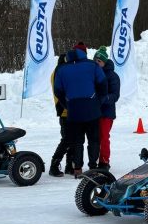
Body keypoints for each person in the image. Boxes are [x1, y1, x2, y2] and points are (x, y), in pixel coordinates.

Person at [54, 42, 107, 178]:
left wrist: (68, 104)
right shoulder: (92, 65)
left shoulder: (62, 69)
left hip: (74, 111)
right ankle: (93, 168)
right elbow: (103, 84)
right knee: (93, 140)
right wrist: (98, 101)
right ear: (85, 53)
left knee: (77, 141)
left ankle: (77, 169)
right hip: (92, 109)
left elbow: (58, 91)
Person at [93, 46, 120, 171]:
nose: (96, 63)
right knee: (94, 137)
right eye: (95, 60)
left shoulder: (113, 76)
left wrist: (103, 99)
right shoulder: (93, 73)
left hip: (106, 113)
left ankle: (104, 161)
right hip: (94, 112)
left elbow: (115, 95)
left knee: (104, 137)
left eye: (99, 61)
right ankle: (94, 160)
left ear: (104, 62)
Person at [49, 54, 74, 177]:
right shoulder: (60, 73)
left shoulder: (57, 72)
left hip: (65, 110)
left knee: (71, 139)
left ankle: (70, 165)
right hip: (65, 110)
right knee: (67, 139)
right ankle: (54, 165)